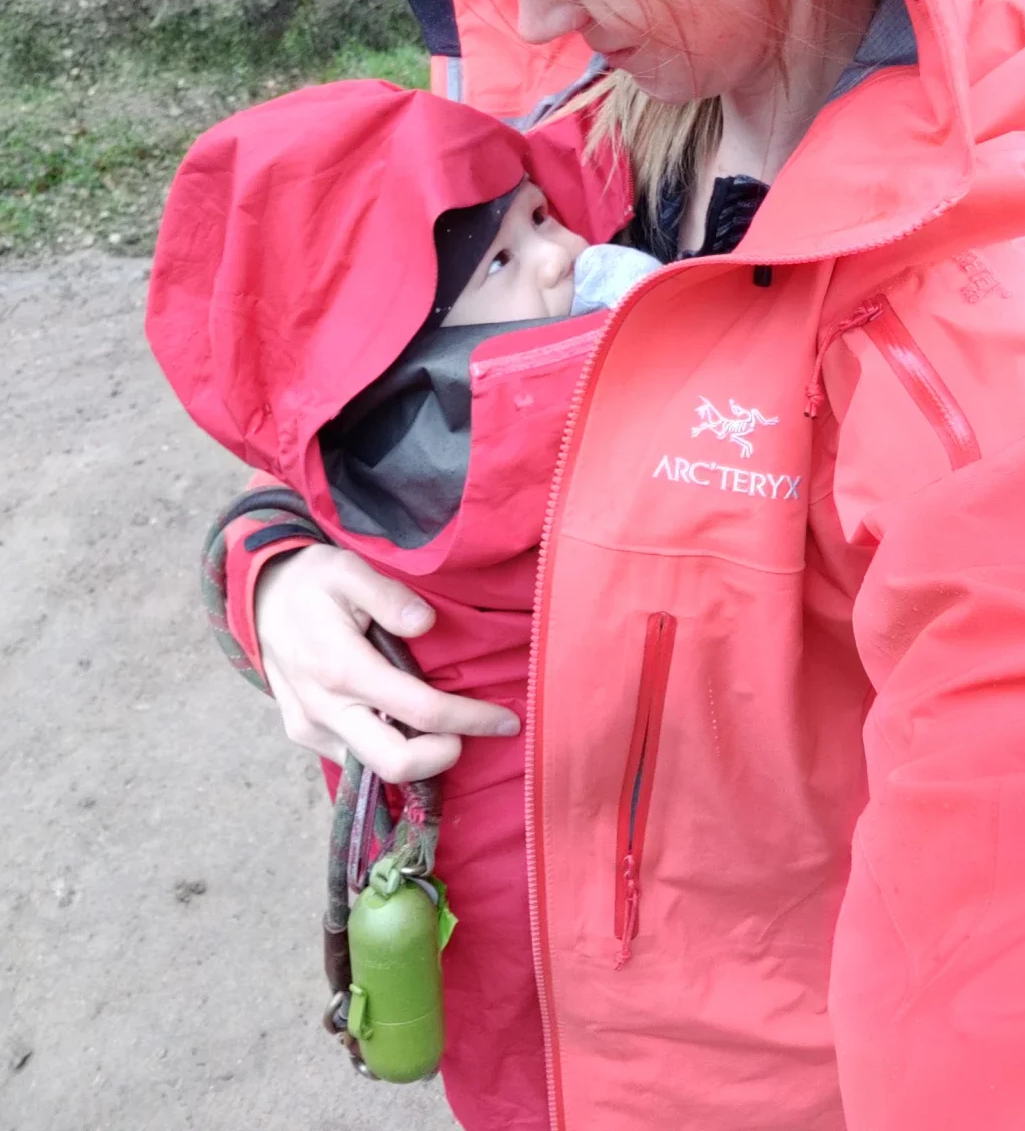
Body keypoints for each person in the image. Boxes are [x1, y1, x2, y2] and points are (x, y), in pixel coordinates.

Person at [195, 0, 1025, 1128]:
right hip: (533, 1061)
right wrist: (273, 570)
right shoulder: (596, 145)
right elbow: (377, 425)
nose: (542, 17)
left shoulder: (1003, 309)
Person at [146, 78, 651, 1128]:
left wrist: (261, 559)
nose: (564, 256)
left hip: (517, 888)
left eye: (543, 219)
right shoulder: (583, 382)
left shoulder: (378, 432)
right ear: (398, 366)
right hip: (520, 906)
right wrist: (266, 567)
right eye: (506, 259)